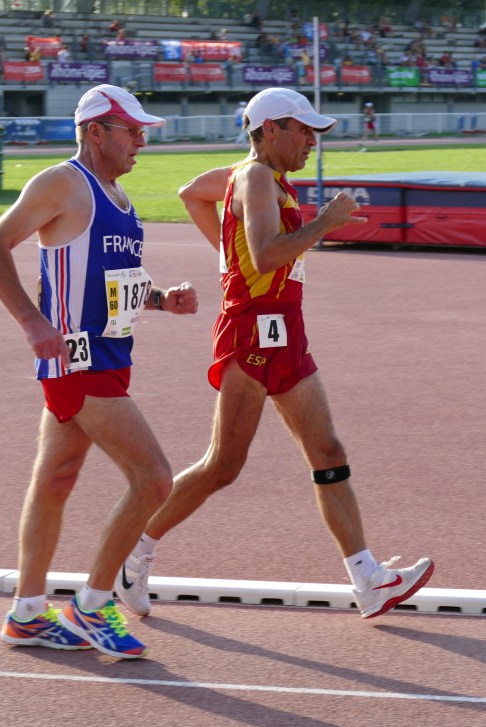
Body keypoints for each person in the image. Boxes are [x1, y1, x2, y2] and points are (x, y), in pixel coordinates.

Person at [115, 87, 434, 622]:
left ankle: (368, 579)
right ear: (268, 130)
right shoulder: (258, 177)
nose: (312, 140)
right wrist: (323, 225)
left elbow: (192, 192)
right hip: (253, 333)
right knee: (223, 465)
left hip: (284, 328)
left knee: (327, 452)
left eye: (314, 131)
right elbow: (263, 257)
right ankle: (132, 555)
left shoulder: (254, 176)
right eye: (303, 129)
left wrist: (226, 253)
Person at [0, 84, 199, 659]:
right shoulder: (63, 183)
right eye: (131, 130)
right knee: (154, 479)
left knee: (55, 480)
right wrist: (30, 322)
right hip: (77, 360)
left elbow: (113, 282)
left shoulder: (119, 198)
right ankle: (92, 607)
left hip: (111, 358)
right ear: (96, 131)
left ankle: (27, 614)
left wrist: (161, 300)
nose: (141, 141)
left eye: (143, 131)